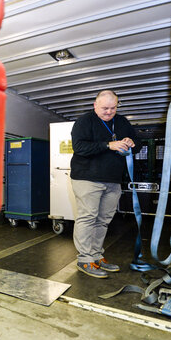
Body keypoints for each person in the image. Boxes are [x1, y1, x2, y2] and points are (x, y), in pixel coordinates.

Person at [70, 90, 140, 279]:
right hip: (87, 178)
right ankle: (85, 259)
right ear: (95, 105)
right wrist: (109, 145)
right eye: (105, 108)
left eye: (113, 108)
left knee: (103, 220)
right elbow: (80, 147)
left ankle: (96, 256)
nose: (109, 112)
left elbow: (139, 144)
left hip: (113, 180)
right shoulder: (84, 121)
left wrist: (131, 142)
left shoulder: (122, 122)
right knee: (87, 217)